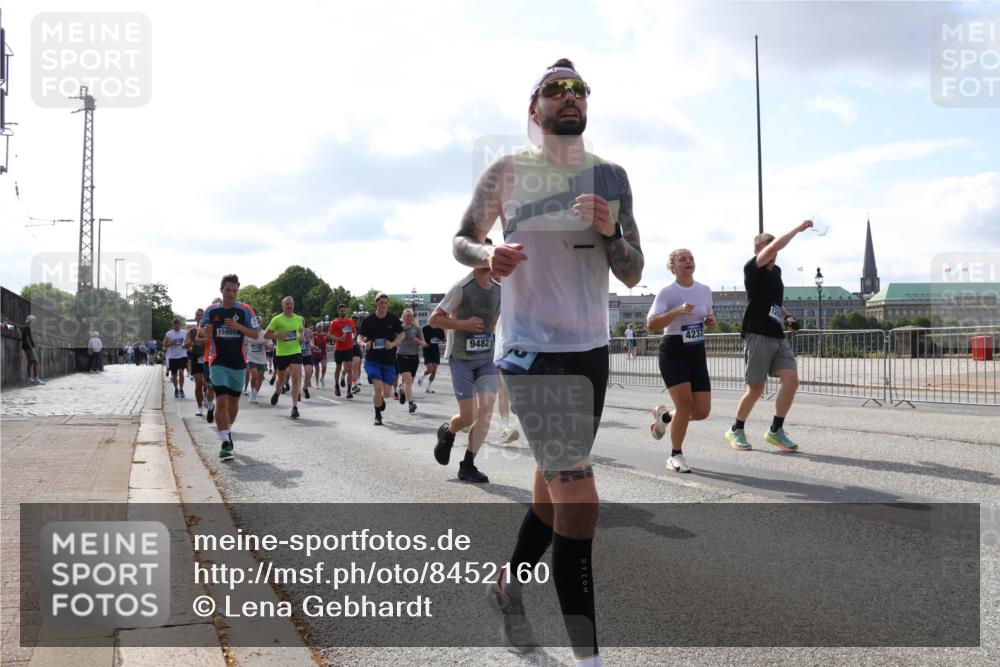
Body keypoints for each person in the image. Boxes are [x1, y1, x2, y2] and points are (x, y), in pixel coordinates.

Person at [454, 58, 644, 663]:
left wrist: (613, 230)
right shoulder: (508, 172)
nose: (569, 97)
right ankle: (588, 658)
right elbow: (460, 238)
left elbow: (634, 270)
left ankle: (508, 586)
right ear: (533, 110)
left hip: (590, 352)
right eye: (555, 90)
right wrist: (487, 254)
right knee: (582, 502)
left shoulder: (612, 176)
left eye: (578, 89)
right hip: (530, 352)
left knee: (552, 494)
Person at [724, 221, 812, 453]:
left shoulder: (777, 272)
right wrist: (797, 229)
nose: (773, 252)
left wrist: (788, 317)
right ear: (758, 251)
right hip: (757, 333)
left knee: (791, 381)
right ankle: (736, 429)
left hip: (776, 334)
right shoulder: (752, 268)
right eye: (768, 248)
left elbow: (774, 303)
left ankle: (776, 430)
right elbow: (775, 248)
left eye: (773, 248)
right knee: (756, 388)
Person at [430, 255, 501, 483]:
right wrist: (463, 324)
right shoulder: (461, 287)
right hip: (461, 358)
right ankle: (449, 431)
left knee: (487, 412)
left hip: (487, 359)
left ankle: (468, 465)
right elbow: (434, 319)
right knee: (469, 416)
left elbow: (496, 319)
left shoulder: (500, 289)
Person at [646, 249, 717, 473]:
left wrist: (710, 320)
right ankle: (675, 455)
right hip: (673, 351)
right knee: (685, 406)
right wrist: (677, 311)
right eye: (682, 259)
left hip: (696, 351)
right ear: (673, 267)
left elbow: (708, 315)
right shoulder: (667, 292)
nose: (688, 261)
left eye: (691, 258)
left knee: (702, 411)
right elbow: (651, 324)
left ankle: (664, 417)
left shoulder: (704, 290)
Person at [201, 274, 261, 461]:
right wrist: (206, 331)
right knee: (222, 400)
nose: (231, 294)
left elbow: (256, 334)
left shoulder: (245, 310)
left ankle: (227, 432)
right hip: (218, 361)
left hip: (238, 363)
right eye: (228, 290)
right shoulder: (211, 311)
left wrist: (237, 326)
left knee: (234, 403)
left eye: (235, 290)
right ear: (221, 290)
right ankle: (225, 442)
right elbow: (203, 329)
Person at [358, 294, 404, 426]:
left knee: (387, 393)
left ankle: (380, 400)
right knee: (377, 388)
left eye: (386, 302)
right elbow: (359, 337)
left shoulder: (393, 319)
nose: (384, 305)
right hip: (372, 360)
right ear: (376, 303)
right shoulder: (368, 320)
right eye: (381, 302)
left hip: (388, 360)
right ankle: (378, 415)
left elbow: (402, 334)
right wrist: (363, 344)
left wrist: (393, 344)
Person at [264, 296, 304, 419]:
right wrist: (279, 335)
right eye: (287, 304)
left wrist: (301, 338)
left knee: (296, 377)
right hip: (282, 354)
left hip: (295, 351)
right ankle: (277, 391)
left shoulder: (298, 318)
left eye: (291, 304)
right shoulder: (277, 319)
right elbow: (266, 334)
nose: (289, 306)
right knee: (281, 380)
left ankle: (294, 407)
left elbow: (300, 330)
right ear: (283, 306)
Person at [395, 309, 427, 414]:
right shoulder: (399, 329)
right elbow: (395, 342)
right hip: (402, 357)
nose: (408, 318)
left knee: (409, 383)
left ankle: (401, 389)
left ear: (413, 317)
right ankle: (411, 404)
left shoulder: (417, 329)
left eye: (410, 316)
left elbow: (424, 343)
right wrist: (396, 343)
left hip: (414, 358)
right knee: (408, 381)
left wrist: (419, 341)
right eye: (406, 316)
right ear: (403, 318)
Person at [185, 308, 209, 416]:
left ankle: (206, 397)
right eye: (198, 315)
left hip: (207, 357)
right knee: (198, 383)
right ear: (195, 318)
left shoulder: (209, 329)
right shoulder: (191, 331)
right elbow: (184, 345)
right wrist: (188, 344)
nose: (199, 317)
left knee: (206, 384)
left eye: (201, 315)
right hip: (196, 358)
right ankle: (199, 407)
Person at [328, 305, 356, 399]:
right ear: (338, 311)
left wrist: (352, 337)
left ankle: (349, 390)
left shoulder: (351, 321)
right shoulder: (335, 323)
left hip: (349, 348)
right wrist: (338, 338)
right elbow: (329, 335)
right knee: (338, 368)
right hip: (339, 349)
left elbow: (354, 332)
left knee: (349, 369)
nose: (343, 312)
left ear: (346, 311)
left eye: (345, 311)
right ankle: (336, 385)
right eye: (341, 311)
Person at [163, 319, 188, 397]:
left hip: (182, 355)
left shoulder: (185, 332)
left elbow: (188, 342)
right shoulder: (169, 334)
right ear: (172, 325)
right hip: (172, 357)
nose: (176, 326)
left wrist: (185, 344)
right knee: (174, 375)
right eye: (175, 324)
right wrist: (171, 343)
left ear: (180, 325)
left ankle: (181, 389)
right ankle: (176, 389)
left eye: (178, 324)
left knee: (181, 373)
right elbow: (165, 345)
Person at [244, 331, 272, 402]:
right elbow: (243, 344)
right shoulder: (248, 333)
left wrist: (265, 344)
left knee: (259, 378)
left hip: (261, 359)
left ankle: (254, 395)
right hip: (251, 358)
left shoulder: (265, 333)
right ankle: (252, 390)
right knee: (254, 375)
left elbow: (272, 347)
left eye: (258, 321)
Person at [418, 320, 445, 393]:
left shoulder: (440, 329)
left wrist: (442, 340)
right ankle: (422, 377)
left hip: (436, 351)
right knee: (430, 369)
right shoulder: (425, 328)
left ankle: (428, 387)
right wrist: (423, 343)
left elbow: (443, 339)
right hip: (427, 351)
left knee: (434, 371)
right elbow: (419, 338)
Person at [21, 315, 44, 385]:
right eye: (33, 320)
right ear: (30, 321)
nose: (34, 321)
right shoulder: (27, 328)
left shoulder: (26, 328)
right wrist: (32, 348)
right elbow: (27, 339)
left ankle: (29, 379)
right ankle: (36, 379)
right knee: (36, 362)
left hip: (27, 347)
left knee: (30, 362)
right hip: (29, 348)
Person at [312, 322, 330, 387]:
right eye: (319, 327)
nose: (320, 328)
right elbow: (311, 342)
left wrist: (327, 347)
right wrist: (313, 346)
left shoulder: (325, 335)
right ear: (316, 327)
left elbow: (327, 342)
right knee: (317, 369)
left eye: (321, 327)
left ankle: (322, 378)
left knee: (324, 366)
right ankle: (317, 383)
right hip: (315, 354)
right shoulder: (313, 334)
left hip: (323, 354)